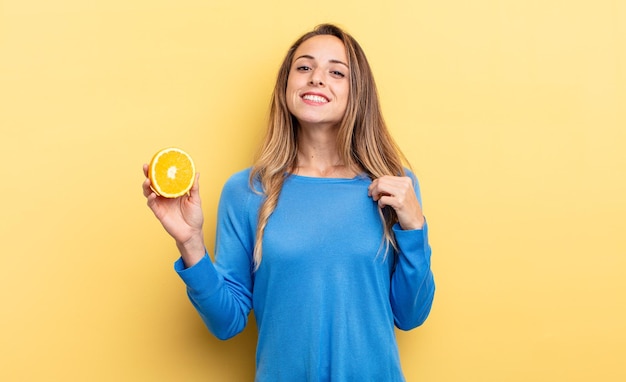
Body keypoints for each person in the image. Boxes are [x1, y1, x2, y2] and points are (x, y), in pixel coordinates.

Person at [142, 23, 435, 381]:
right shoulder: (247, 191)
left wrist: (415, 228)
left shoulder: (394, 187)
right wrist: (189, 243)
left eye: (336, 72)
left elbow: (410, 315)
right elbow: (227, 322)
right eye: (304, 67)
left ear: (358, 92)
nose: (317, 78)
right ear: (286, 86)